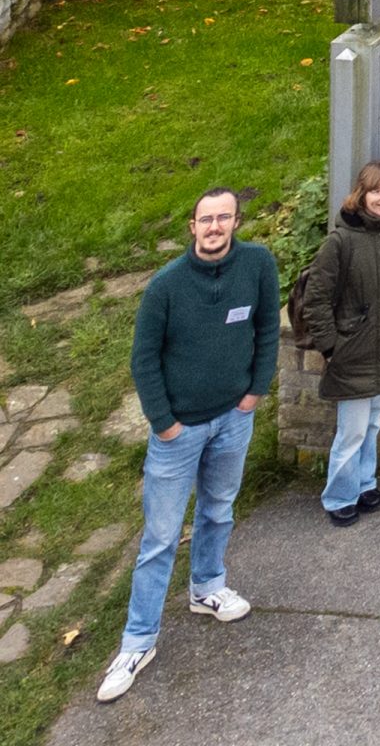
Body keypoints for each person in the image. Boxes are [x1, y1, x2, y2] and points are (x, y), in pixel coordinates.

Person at [99, 186, 279, 704]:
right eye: (206, 219)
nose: (215, 227)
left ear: (236, 222)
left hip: (234, 419)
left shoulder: (258, 264)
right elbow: (143, 360)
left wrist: (255, 392)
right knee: (159, 537)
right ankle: (138, 641)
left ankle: (206, 588)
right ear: (192, 228)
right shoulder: (166, 287)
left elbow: (268, 327)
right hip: (179, 431)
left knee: (219, 510)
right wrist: (164, 424)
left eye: (224, 218)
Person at [300, 160, 380, 526]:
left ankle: (364, 483)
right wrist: (331, 347)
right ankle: (339, 495)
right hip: (354, 349)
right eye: (377, 191)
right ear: (362, 195)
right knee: (352, 429)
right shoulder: (340, 242)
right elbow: (317, 300)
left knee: (373, 421)